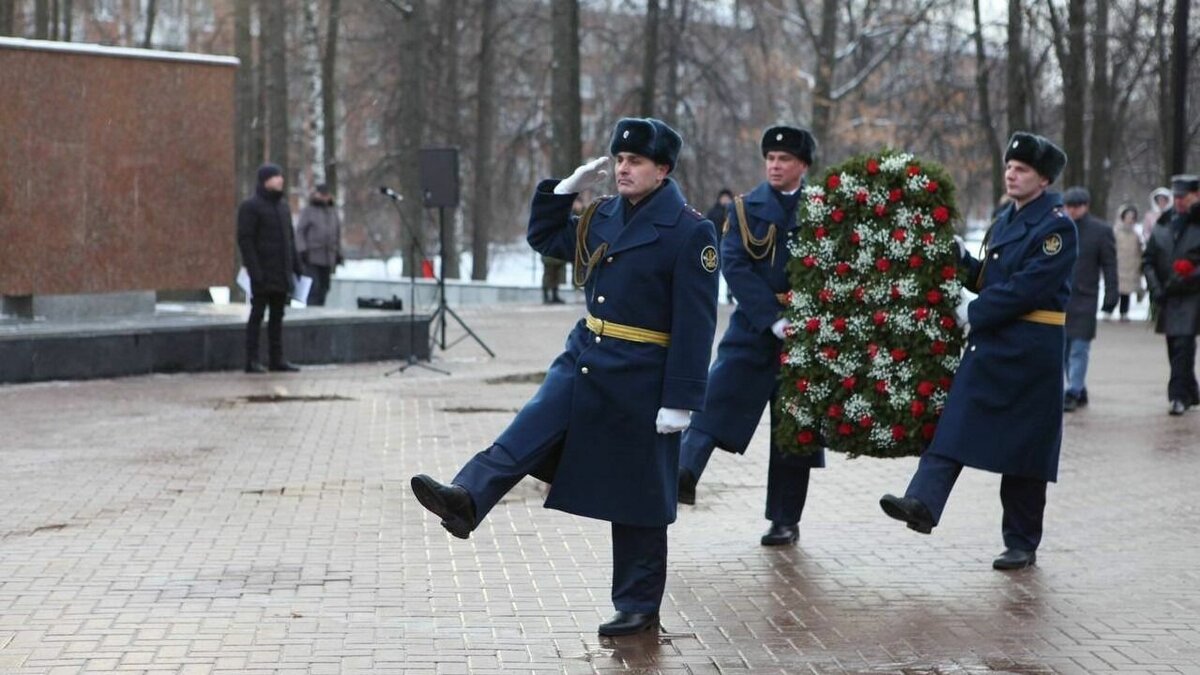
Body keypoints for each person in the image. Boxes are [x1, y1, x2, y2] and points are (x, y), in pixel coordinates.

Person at [409, 118, 719, 636]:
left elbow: (697, 320)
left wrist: (682, 399)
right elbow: (546, 238)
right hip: (587, 352)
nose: (623, 168)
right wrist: (562, 192)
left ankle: (638, 606)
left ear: (662, 170)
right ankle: (467, 498)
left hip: (643, 373)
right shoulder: (602, 214)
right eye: (619, 160)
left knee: (641, 494)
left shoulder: (690, 230)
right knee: (532, 424)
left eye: (636, 161)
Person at [880, 132, 1075, 571]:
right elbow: (988, 276)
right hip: (992, 345)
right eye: (1009, 166)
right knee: (955, 425)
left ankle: (1021, 542)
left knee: (1025, 454)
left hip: (1030, 350)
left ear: (1043, 179)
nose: (1011, 173)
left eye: (1021, 169)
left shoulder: (1057, 226)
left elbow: (1029, 287)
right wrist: (956, 256)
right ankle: (922, 503)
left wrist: (978, 309)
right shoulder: (1007, 218)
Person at [676, 126, 825, 547]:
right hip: (754, 329)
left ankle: (785, 520)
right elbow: (735, 265)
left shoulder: (823, 208)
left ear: (803, 166)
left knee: (794, 432)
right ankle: (683, 475)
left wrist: (805, 318)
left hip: (805, 334)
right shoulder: (745, 208)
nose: (775, 166)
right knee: (713, 401)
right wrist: (773, 318)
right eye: (770, 159)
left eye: (785, 159)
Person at [1141, 174, 1200, 416]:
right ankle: (1191, 390)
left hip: (1192, 295)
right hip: (1166, 294)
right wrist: (1155, 286)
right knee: (1173, 344)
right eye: (1175, 197)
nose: (1178, 201)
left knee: (1183, 343)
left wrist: (1187, 276)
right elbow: (1149, 260)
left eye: (1183, 197)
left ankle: (1177, 396)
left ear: (1196, 196)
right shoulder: (1163, 223)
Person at [238, 163, 303, 373]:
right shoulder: (251, 206)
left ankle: (277, 358)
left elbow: (289, 239)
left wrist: (296, 265)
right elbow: (245, 240)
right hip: (262, 272)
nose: (280, 180)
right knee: (257, 315)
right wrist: (254, 269)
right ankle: (252, 360)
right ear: (265, 181)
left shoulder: (283, 207)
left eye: (280, 176)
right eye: (275, 177)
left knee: (278, 316)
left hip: (280, 272)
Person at [1061, 187, 1118, 411]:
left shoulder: (1100, 231)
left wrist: (1112, 294)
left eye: (1076, 206)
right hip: (1061, 297)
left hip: (1085, 297)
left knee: (1079, 347)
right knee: (1064, 347)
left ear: (1086, 206)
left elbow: (1110, 265)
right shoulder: (1059, 228)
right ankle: (1078, 386)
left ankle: (1073, 390)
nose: (1072, 211)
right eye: (1069, 206)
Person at [294, 183, 342, 307]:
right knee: (313, 288)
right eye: (322, 194)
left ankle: (320, 310)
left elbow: (337, 234)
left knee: (324, 288)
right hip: (312, 257)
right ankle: (311, 314)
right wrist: (302, 250)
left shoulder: (333, 212)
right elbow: (300, 232)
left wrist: (338, 253)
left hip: (328, 257)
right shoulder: (309, 211)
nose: (324, 197)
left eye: (326, 194)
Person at [1112, 204, 1145, 322]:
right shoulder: (1116, 233)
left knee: (1126, 292)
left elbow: (1139, 250)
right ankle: (1108, 309)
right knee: (1115, 289)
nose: (1130, 220)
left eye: (1132, 217)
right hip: (1118, 265)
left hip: (1131, 266)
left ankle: (1124, 312)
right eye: (1128, 217)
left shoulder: (1136, 235)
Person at [706, 189, 736, 304]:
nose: (725, 200)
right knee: (714, 271)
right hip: (715, 244)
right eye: (723, 198)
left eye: (727, 198)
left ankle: (730, 295)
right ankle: (715, 294)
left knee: (730, 271)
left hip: (729, 245)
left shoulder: (733, 213)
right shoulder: (714, 212)